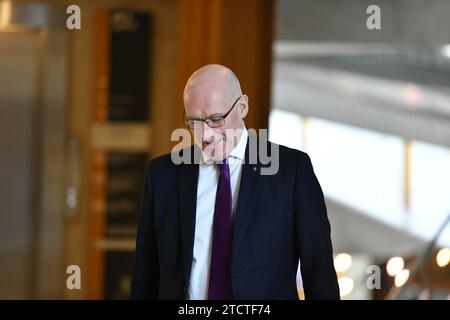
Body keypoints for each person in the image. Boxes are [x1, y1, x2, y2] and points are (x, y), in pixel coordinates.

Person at [131, 64, 340, 300]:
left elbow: (319, 275)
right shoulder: (162, 175)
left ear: (242, 107)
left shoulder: (292, 171)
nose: (205, 134)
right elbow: (145, 278)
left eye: (215, 119)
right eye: (194, 122)